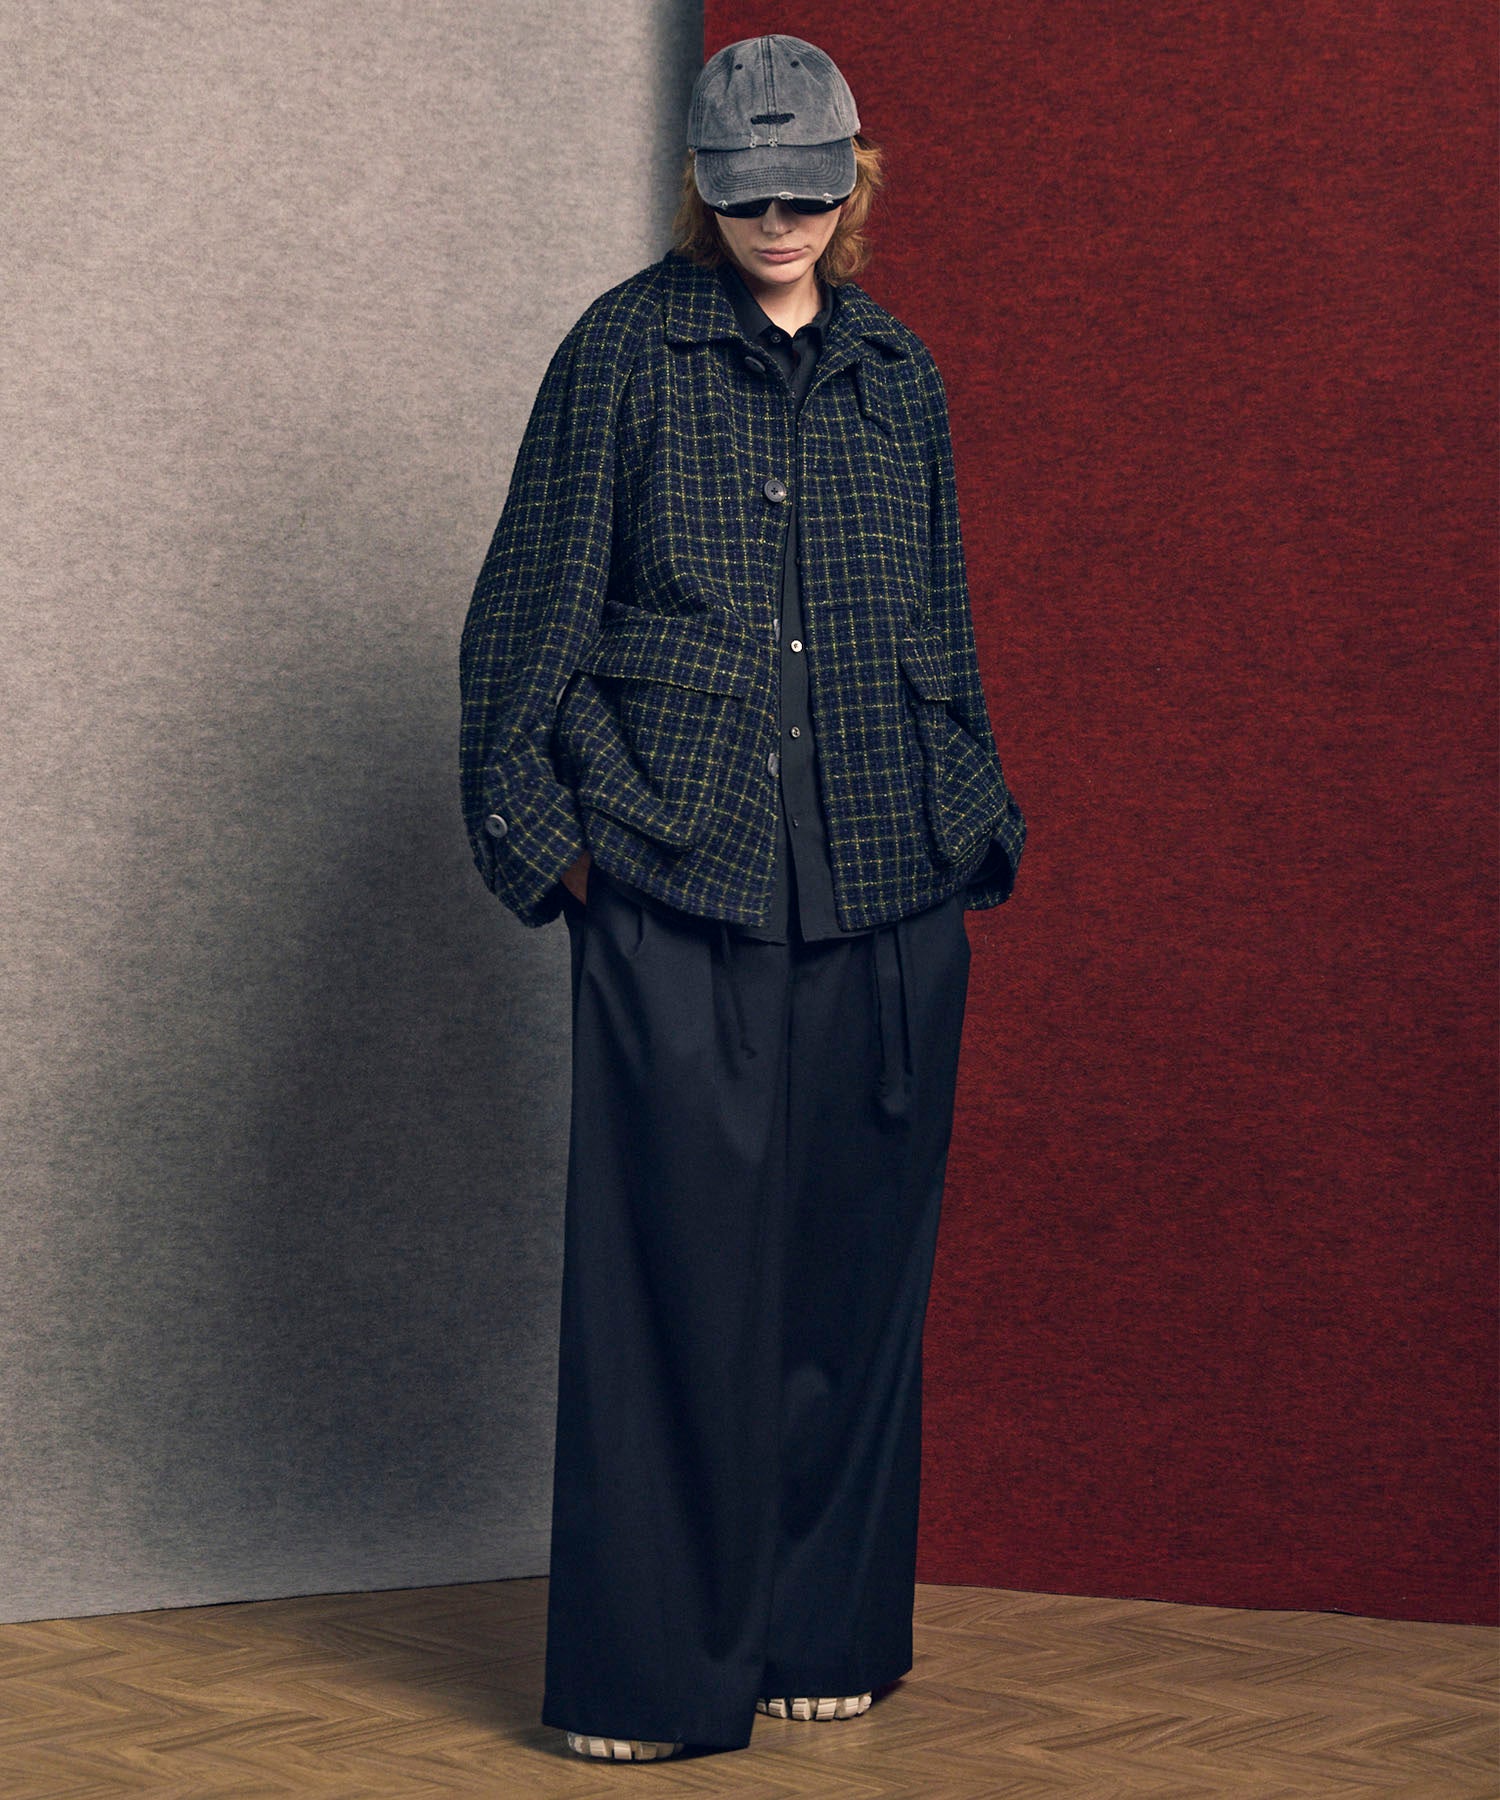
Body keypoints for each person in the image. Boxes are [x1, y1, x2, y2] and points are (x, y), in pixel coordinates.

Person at [458, 33, 1026, 1763]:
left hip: (889, 878)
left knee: (856, 1276)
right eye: (746, 193)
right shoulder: (620, 354)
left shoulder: (898, 375)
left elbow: (941, 622)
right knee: (669, 1286)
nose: (779, 221)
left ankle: (821, 1628)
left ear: (856, 180)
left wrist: (971, 827)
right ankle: (647, 1676)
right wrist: (555, 847)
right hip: (674, 870)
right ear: (700, 191)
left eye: (807, 190)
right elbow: (525, 616)